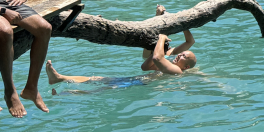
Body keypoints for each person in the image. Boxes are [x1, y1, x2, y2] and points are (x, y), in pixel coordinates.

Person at [46, 34, 196, 86]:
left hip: (138, 85)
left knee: (101, 87)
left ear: (187, 67)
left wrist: (161, 38)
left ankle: (63, 91)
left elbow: (157, 58)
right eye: (181, 53)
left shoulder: (177, 71)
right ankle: (59, 78)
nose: (180, 55)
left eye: (184, 56)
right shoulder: (169, 65)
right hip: (137, 80)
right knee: (97, 79)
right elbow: (145, 66)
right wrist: (160, 47)